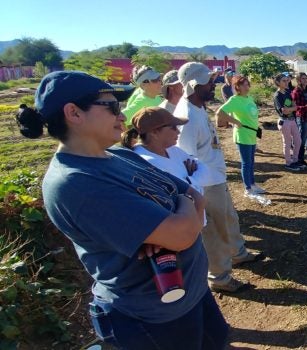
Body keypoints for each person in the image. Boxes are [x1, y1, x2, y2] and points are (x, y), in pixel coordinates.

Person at [20, 71, 228, 349]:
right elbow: (182, 234)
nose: (122, 116)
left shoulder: (121, 155)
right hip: (152, 319)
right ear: (74, 113)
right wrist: (178, 217)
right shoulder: (76, 183)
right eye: (112, 107)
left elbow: (191, 192)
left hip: (191, 294)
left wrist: (175, 216)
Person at [175, 62, 260, 292]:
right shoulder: (187, 118)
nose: (214, 85)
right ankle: (220, 277)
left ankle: (238, 253)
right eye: (209, 82)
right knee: (214, 231)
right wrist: (198, 192)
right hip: (205, 185)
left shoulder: (199, 107)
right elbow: (184, 160)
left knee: (229, 219)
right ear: (193, 85)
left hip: (216, 178)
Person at [122, 107, 213, 226]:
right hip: (177, 228)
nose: (178, 132)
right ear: (154, 132)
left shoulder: (173, 150)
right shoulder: (145, 161)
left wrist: (189, 180)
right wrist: (191, 181)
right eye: (173, 127)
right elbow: (177, 195)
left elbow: (206, 172)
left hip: (193, 223)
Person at [215, 75, 267, 199]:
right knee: (246, 163)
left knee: (251, 162)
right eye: (243, 84)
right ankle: (247, 189)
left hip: (251, 134)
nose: (246, 86)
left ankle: (253, 184)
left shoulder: (249, 98)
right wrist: (235, 121)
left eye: (247, 84)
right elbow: (219, 112)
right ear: (237, 87)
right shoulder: (234, 100)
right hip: (242, 135)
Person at [272, 73, 303, 171]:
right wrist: (292, 108)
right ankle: (288, 163)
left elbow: (294, 105)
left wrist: (291, 108)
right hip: (284, 121)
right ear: (278, 82)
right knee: (287, 143)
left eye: (287, 80)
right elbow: (284, 110)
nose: (286, 82)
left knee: (298, 141)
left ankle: (295, 160)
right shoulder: (277, 95)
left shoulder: (288, 91)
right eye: (284, 81)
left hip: (292, 120)